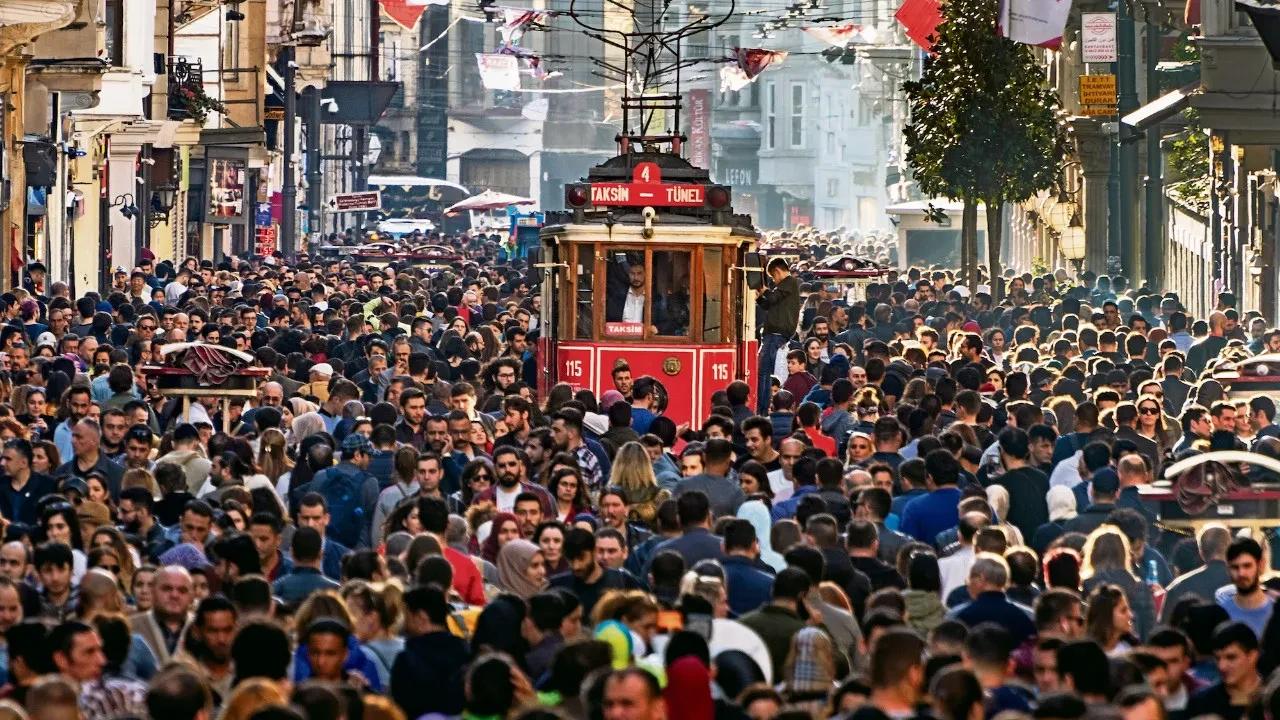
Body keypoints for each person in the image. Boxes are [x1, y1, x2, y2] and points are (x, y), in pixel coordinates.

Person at [1185, 621, 1262, 720]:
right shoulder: (1201, 702)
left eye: (1231, 657)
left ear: (1252, 656)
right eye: (1217, 658)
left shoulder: (1273, 698)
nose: (1222, 666)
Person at [1215, 536, 1274, 637]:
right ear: (1228, 569)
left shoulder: (1275, 612)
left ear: (1260, 565)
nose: (1241, 573)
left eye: (1247, 566)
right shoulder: (1220, 614)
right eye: (1235, 567)